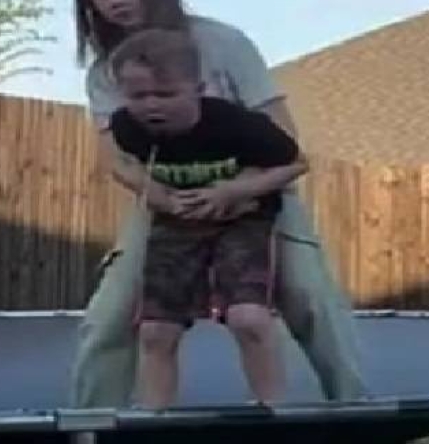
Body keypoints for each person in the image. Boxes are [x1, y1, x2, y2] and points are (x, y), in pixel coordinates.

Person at [68, 0, 368, 408]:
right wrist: (163, 198)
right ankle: (91, 425)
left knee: (309, 295)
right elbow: (116, 159)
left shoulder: (222, 43)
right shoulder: (106, 72)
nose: (116, 2)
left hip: (255, 193)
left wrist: (235, 191)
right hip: (171, 198)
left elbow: (285, 140)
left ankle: (355, 408)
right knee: (109, 317)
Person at [106, 27, 303, 408]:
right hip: (176, 223)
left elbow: (296, 164)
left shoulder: (238, 125)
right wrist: (160, 196)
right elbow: (124, 166)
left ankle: (273, 410)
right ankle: (154, 416)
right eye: (138, 96)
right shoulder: (128, 128)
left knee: (248, 318)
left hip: (242, 220)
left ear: (198, 89)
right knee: (155, 331)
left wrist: (232, 192)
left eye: (166, 95)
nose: (151, 106)